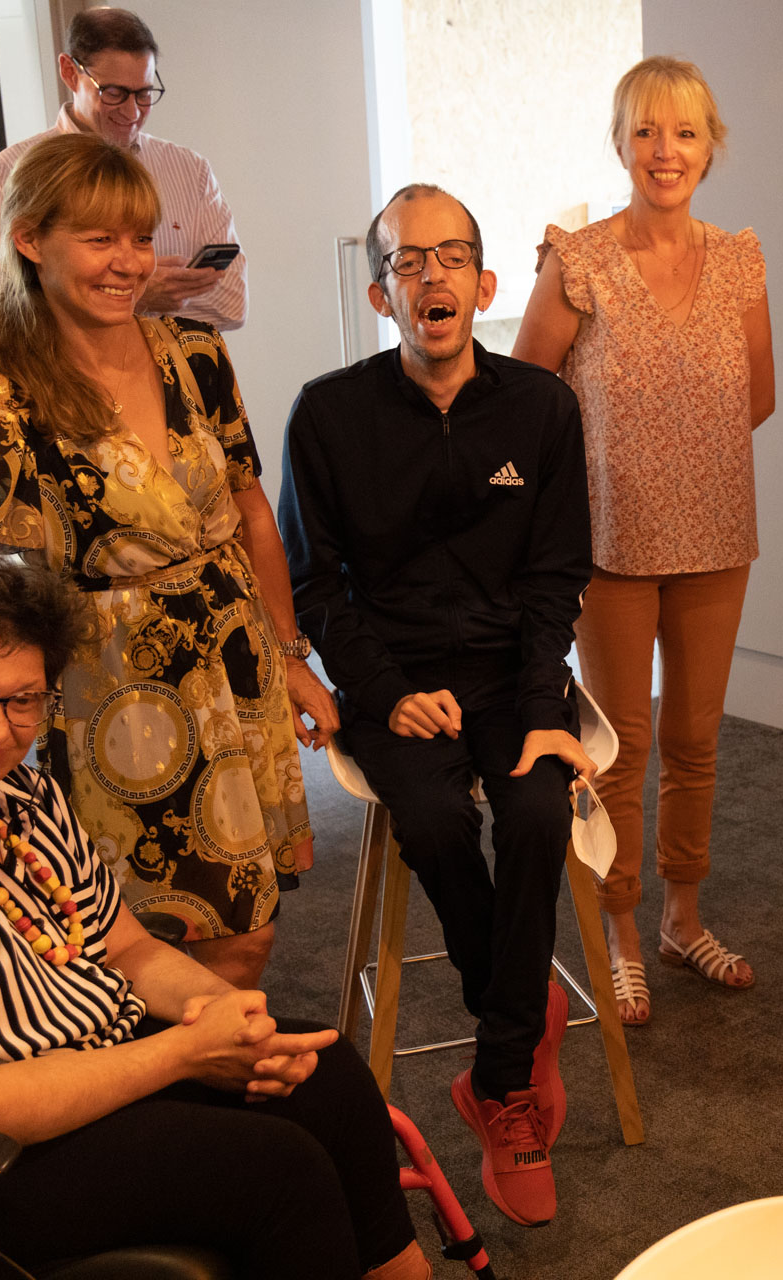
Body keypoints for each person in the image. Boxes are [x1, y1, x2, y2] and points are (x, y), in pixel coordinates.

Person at [0, 548, 428, 1279]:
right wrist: (184, 1053)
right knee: (275, 1170)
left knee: (326, 1077)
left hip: (88, 1065)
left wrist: (225, 1015)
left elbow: (127, 949)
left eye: (22, 701)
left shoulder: (17, 795)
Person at [0, 132, 332, 990]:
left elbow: (251, 512)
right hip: (122, 692)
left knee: (251, 928)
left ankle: (211, 1065)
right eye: (100, 239)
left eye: (140, 238)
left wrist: (290, 657)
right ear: (30, 240)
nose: (129, 262)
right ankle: (183, 1069)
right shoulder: (0, 397)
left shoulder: (195, 351)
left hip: (235, 663)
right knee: (153, 939)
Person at [280, 183, 593, 1228]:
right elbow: (314, 581)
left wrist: (544, 700)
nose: (431, 277)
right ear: (382, 295)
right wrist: (386, 691)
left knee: (540, 809)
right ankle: (519, 1014)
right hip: (392, 671)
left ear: (485, 284)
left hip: (513, 671)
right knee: (434, 817)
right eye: (407, 262)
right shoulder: (328, 414)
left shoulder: (542, 408)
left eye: (451, 256)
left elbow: (556, 574)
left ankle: (497, 1075)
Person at [512, 56, 775, 1026]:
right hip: (611, 542)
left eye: (685, 132)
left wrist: (676, 445)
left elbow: (758, 397)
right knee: (618, 749)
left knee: (696, 741)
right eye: (646, 131)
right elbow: (525, 400)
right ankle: (620, 928)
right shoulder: (577, 260)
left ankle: (681, 919)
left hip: (716, 532)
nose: (666, 151)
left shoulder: (739, 258)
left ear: (711, 146)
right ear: (621, 144)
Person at [0, 7, 247, 331]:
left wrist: (94, 297)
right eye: (114, 93)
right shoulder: (11, 170)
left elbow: (232, 305)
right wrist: (137, 294)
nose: (132, 112)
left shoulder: (190, 171)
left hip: (177, 363)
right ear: (69, 72)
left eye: (144, 94)